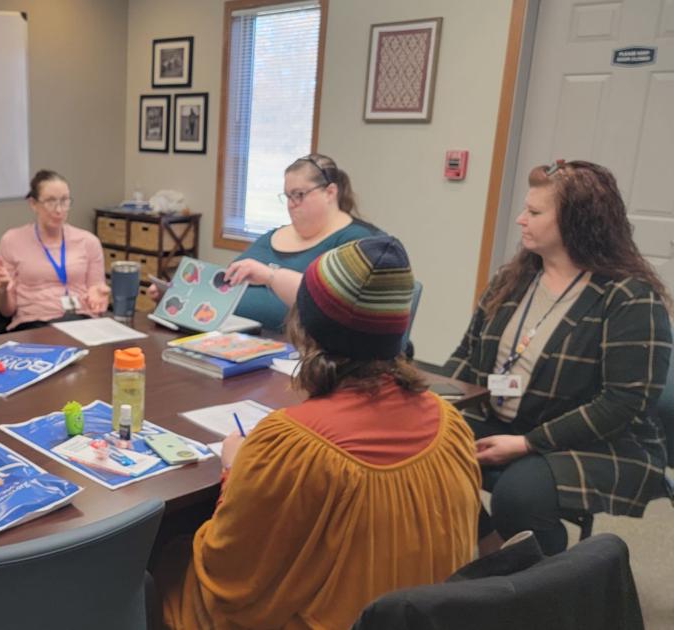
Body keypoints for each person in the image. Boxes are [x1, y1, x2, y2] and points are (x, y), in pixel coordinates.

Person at [159, 236, 481, 630]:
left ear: (307, 327)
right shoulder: (452, 425)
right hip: (422, 619)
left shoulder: (295, 445)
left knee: (166, 556)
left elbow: (232, 580)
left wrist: (235, 471)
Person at [445, 160, 671, 556]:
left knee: (519, 497)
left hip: (601, 440)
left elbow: (621, 404)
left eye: (534, 212)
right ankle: (497, 553)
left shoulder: (629, 297)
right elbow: (468, 357)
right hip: (511, 414)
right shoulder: (512, 278)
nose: (520, 219)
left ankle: (546, 589)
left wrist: (527, 443)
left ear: (577, 221)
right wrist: (436, 404)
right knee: (421, 448)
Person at [149, 154, 380, 332]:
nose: (291, 204)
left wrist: (270, 276)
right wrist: (178, 298)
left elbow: (333, 299)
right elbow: (224, 286)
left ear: (330, 193)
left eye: (299, 195)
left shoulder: (359, 242)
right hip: (237, 339)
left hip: (303, 355)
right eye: (288, 196)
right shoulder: (274, 237)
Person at [0, 169, 111, 330]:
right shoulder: (12, 240)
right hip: (34, 324)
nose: (59, 210)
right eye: (50, 201)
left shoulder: (88, 242)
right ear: (33, 204)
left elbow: (96, 290)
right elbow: (7, 311)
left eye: (64, 201)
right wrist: (2, 289)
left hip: (81, 321)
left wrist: (98, 298)